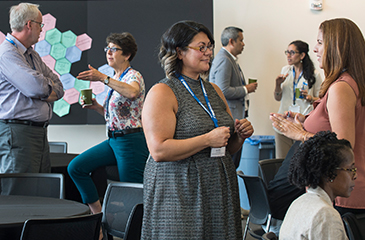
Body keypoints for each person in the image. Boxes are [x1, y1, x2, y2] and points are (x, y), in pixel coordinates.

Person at [141, 20, 254, 239]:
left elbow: (227, 147)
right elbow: (159, 150)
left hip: (218, 185)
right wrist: (206, 140)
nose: (209, 53)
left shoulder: (213, 90)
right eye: (201, 47)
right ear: (180, 52)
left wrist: (239, 137)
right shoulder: (163, 91)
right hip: (180, 189)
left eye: (210, 47)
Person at [270, 18, 365, 218]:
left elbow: (342, 147)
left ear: (337, 46)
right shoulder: (350, 82)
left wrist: (301, 134)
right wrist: (307, 120)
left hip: (345, 195)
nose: (315, 49)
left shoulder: (341, 87)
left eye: (320, 42)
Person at [67, 32, 149, 218]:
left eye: (114, 49)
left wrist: (103, 78)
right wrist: (96, 107)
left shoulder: (133, 76)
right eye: (107, 49)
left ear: (127, 55)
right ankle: (98, 216)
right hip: (113, 140)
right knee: (76, 168)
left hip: (131, 141)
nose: (109, 52)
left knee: (133, 196)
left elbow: (132, 92)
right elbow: (116, 116)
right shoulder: (115, 77)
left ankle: (138, 232)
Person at [0, 3, 64, 176]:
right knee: (19, 194)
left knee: (39, 191)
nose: (41, 30)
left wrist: (44, 88)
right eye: (40, 24)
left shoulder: (31, 54)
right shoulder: (8, 53)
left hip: (38, 132)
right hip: (18, 133)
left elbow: (59, 87)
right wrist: (43, 88)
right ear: (29, 24)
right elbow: (35, 88)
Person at [280, 131, 355, 240]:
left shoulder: (300, 201)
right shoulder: (325, 214)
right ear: (329, 174)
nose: (355, 175)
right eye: (350, 169)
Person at [209, 26, 258, 168]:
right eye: (241, 40)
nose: (243, 44)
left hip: (234, 118)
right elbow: (222, 90)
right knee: (230, 164)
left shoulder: (229, 59)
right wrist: (245, 89)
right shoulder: (225, 60)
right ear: (231, 41)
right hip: (229, 119)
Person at [273, 40, 322, 159]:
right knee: (282, 161)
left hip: (302, 124)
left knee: (300, 161)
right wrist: (278, 84)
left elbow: (321, 101)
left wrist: (310, 98)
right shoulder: (285, 71)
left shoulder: (314, 75)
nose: (288, 56)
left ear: (302, 55)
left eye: (292, 52)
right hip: (284, 122)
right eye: (287, 52)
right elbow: (277, 97)